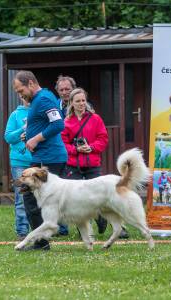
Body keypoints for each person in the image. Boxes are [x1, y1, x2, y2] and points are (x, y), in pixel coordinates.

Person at [61, 88, 129, 239]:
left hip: (92, 163)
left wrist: (91, 147)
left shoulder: (95, 119)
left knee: (104, 195)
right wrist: (76, 149)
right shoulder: (65, 123)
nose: (81, 104)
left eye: (83, 100)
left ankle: (114, 224)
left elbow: (103, 139)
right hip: (73, 165)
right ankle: (83, 230)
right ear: (71, 103)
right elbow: (63, 144)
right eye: (77, 101)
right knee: (76, 199)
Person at [12, 70, 68, 251]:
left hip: (49, 158)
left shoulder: (43, 99)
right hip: (42, 156)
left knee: (29, 196)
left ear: (30, 83)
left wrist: (35, 139)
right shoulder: (38, 100)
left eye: (21, 91)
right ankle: (41, 240)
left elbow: (58, 124)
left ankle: (41, 242)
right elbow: (46, 124)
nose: (20, 95)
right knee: (31, 195)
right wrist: (29, 136)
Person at [4, 95, 31, 240]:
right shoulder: (15, 115)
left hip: (38, 161)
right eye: (24, 95)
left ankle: (40, 229)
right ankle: (22, 231)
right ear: (20, 96)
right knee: (21, 197)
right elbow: (8, 137)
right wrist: (23, 128)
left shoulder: (40, 112)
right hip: (19, 162)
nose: (27, 97)